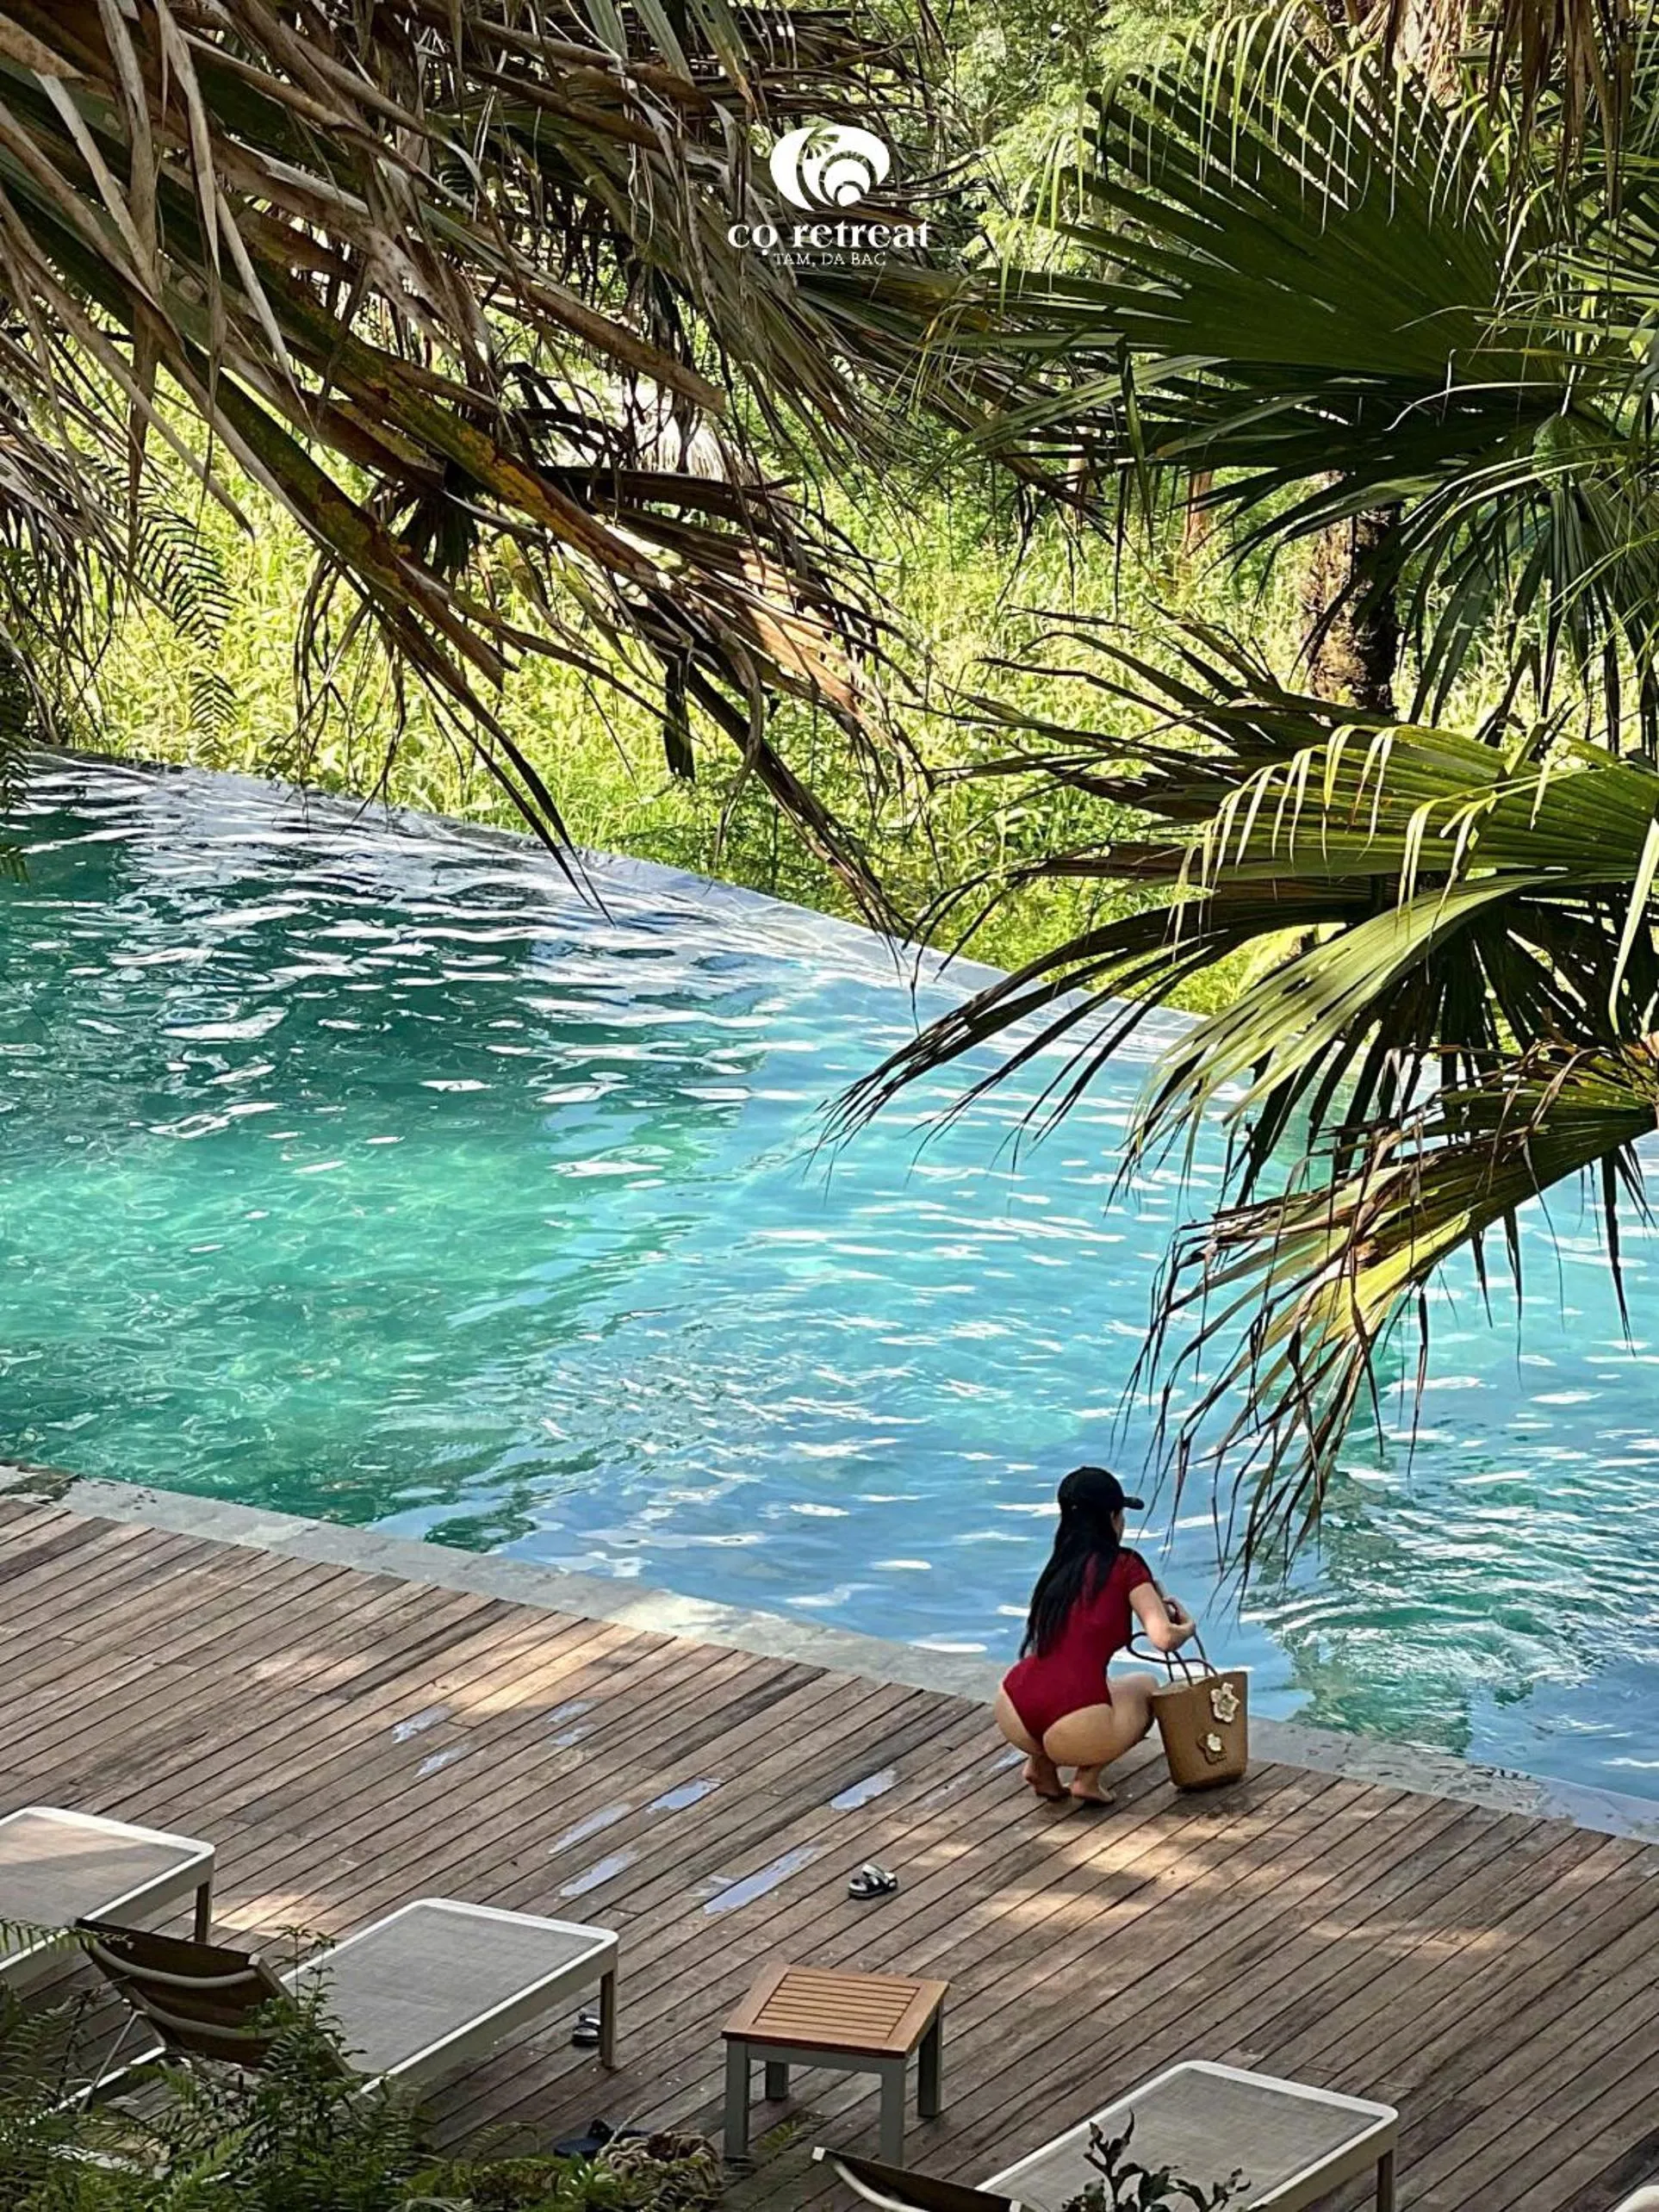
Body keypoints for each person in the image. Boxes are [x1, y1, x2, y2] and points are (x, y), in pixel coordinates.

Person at [995, 1464, 1197, 1805]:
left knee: (1095, 1683)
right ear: (1113, 1516)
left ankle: (1040, 1768)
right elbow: (1162, 1638)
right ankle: (1087, 1779)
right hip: (1074, 1723)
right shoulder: (1126, 1565)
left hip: (1014, 1704)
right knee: (1147, 1686)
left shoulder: (1060, 1565)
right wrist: (1186, 1627)